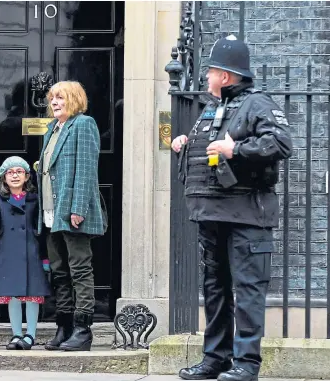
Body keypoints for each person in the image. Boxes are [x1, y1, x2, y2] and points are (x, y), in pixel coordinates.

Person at [171, 36, 293, 381]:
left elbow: (281, 143)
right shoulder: (212, 108)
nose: (206, 77)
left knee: (248, 290)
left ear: (225, 75)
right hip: (212, 214)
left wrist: (235, 149)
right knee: (216, 290)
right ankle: (216, 359)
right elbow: (208, 151)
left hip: (247, 215)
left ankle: (246, 364)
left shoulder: (258, 104)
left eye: (210, 71)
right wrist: (186, 144)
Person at [37, 81, 107, 352]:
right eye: (52, 98)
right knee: (58, 271)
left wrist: (79, 208)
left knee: (80, 269)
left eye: (60, 98)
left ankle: (82, 330)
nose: (54, 103)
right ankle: (63, 327)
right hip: (51, 212)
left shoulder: (83, 124)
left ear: (74, 99)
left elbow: (87, 169)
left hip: (72, 210)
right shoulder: (52, 129)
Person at [0, 156, 51, 350]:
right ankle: (16, 334)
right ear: (4, 178)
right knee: (13, 294)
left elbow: (42, 228)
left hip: (31, 251)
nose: (15, 176)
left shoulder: (34, 198)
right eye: (10, 173)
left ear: (27, 176)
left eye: (19, 172)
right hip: (8, 251)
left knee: (32, 294)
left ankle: (30, 334)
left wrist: (45, 257)